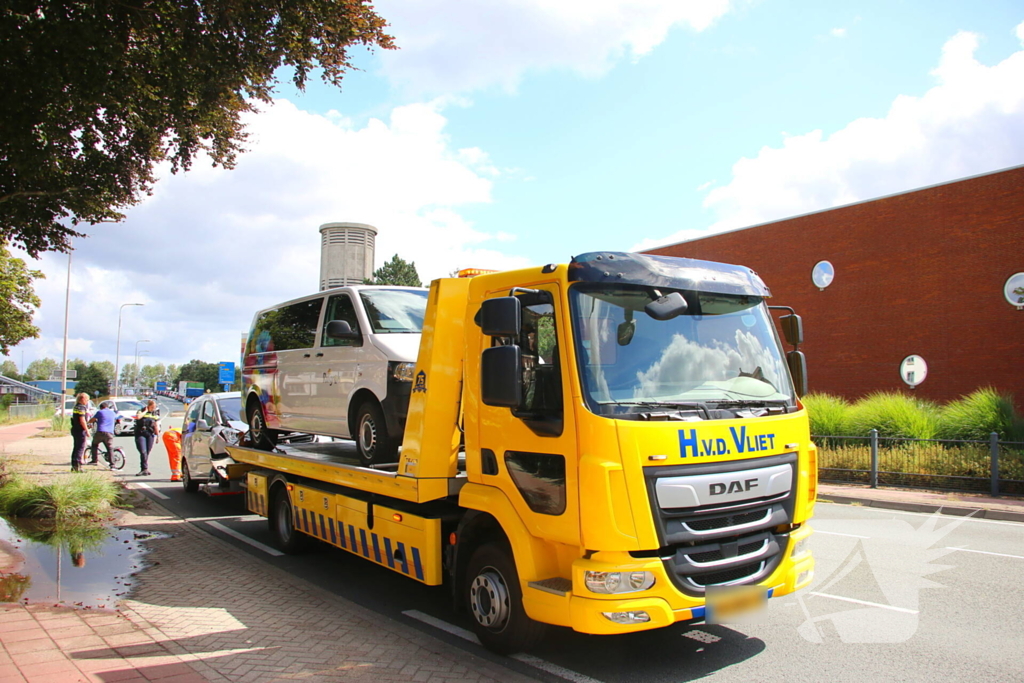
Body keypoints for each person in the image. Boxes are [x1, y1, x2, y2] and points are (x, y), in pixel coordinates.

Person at [133, 399, 161, 476]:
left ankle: (145, 469)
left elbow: (156, 425)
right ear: (148, 406)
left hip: (150, 434)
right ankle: (143, 469)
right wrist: (145, 411)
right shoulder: (140, 411)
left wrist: (158, 436)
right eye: (152, 407)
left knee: (147, 452)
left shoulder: (154, 413)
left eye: (154, 407)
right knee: (143, 451)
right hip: (140, 433)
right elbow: (138, 417)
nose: (154, 408)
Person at [87, 400, 117, 466]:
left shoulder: (100, 412)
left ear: (101, 407)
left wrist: (88, 422)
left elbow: (92, 420)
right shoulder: (112, 413)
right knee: (110, 448)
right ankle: (112, 464)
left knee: (94, 444)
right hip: (110, 433)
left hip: (101, 432)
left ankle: (94, 460)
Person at [69, 393, 91, 472]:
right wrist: (87, 430)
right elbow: (82, 420)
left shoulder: (76, 406)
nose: (87, 402)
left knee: (76, 447)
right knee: (80, 448)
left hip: (75, 429)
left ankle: (74, 465)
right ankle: (78, 466)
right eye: (87, 400)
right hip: (80, 430)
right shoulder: (81, 407)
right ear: (82, 399)